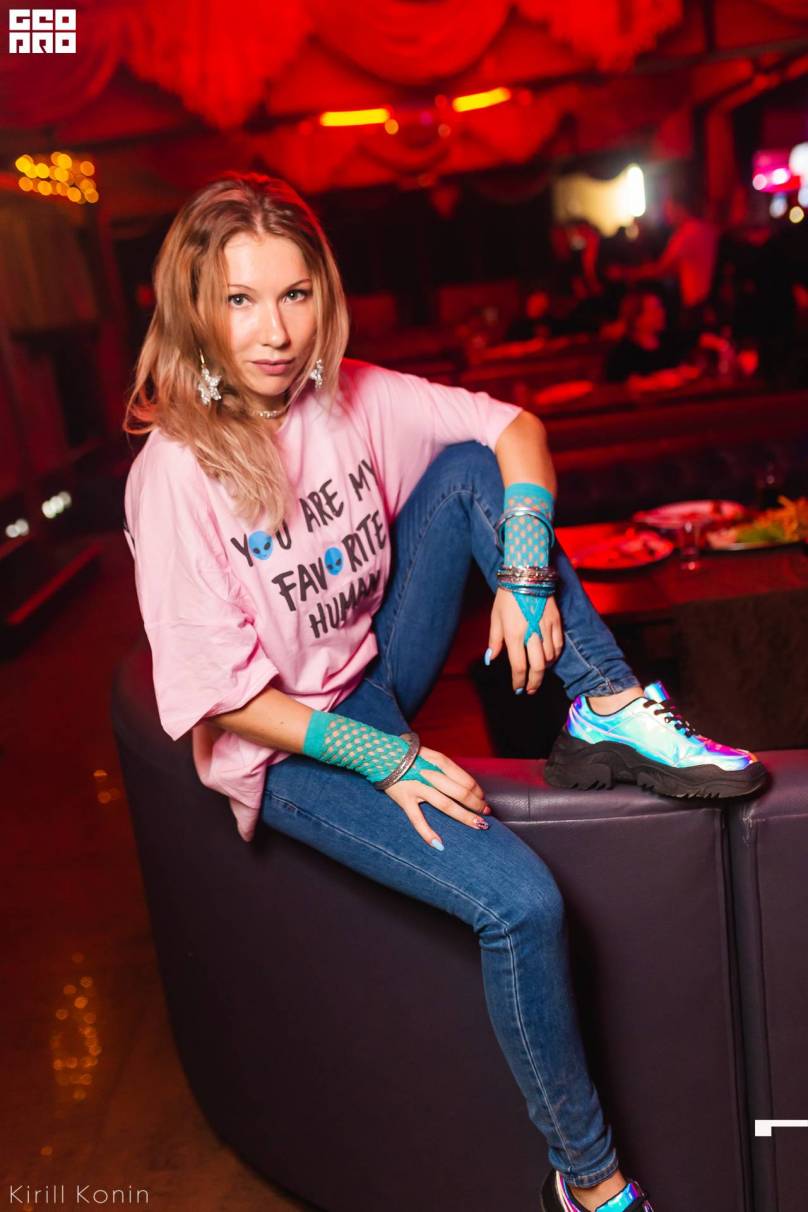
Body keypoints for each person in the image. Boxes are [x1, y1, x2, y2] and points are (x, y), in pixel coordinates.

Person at [121, 173, 766, 1212]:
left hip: (372, 667)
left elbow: (517, 429)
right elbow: (221, 700)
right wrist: (390, 756)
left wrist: (521, 571)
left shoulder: (349, 395)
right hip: (286, 744)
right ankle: (590, 1185)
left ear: (324, 295)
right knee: (522, 906)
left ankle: (603, 704)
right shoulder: (174, 473)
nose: (275, 332)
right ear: (196, 306)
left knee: (472, 465)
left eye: (295, 295)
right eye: (240, 300)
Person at [612, 184, 719, 332]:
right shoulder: (706, 228)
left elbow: (662, 269)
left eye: (668, 208)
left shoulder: (686, 233)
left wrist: (625, 273)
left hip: (696, 305)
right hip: (710, 303)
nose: (666, 214)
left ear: (679, 207)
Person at [603, 289, 699, 390]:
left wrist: (683, 372)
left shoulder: (669, 342)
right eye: (654, 310)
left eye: (661, 307)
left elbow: (678, 370)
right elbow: (614, 387)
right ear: (637, 319)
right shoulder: (622, 353)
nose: (662, 312)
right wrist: (654, 382)